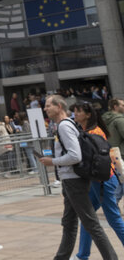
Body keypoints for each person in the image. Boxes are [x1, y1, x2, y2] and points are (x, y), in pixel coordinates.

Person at [39, 95, 118, 260]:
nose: (45, 109)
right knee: (69, 222)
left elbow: (75, 156)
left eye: (48, 105)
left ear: (59, 106)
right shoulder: (69, 124)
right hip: (71, 180)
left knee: (91, 223)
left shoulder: (64, 127)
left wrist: (51, 161)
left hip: (74, 180)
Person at [72, 102, 124, 260]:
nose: (75, 114)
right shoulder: (88, 131)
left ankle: (82, 255)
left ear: (88, 114)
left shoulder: (94, 132)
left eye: (78, 111)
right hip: (100, 180)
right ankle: (82, 255)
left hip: (104, 180)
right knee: (88, 217)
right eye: (74, 111)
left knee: (113, 218)